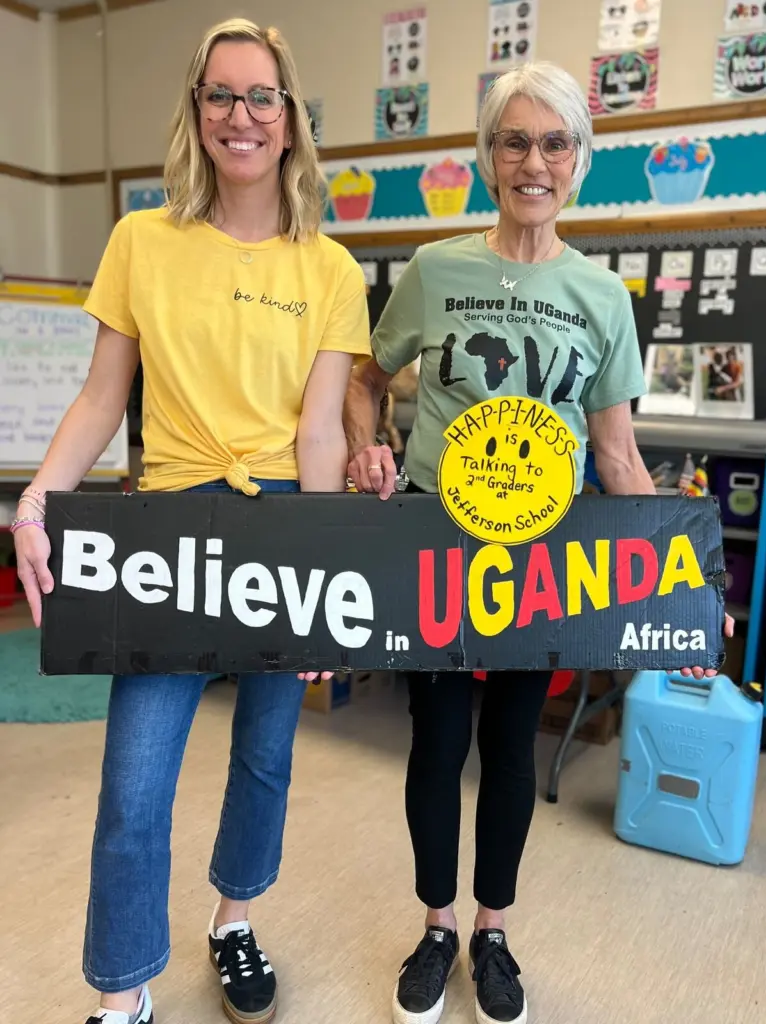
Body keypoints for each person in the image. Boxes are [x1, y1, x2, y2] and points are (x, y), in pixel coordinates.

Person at [343, 61, 734, 1024]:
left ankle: (493, 931)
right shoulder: (436, 270)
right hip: (436, 541)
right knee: (435, 744)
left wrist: (687, 586)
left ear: (578, 163)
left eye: (554, 143)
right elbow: (365, 378)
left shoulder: (602, 296)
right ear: (487, 157)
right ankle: (437, 928)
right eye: (514, 141)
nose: (534, 162)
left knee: (512, 746)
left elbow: (618, 455)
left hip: (541, 558)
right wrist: (369, 445)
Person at [12, 18, 370, 1024]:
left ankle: (233, 919)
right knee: (135, 779)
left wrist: (327, 579)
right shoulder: (142, 241)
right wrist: (41, 493)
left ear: (292, 120)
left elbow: (319, 439)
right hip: (165, 532)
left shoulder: (331, 271)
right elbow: (98, 399)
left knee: (264, 755)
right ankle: (125, 991)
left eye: (262, 97)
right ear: (197, 111)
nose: (241, 116)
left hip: (282, 529)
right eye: (221, 95)